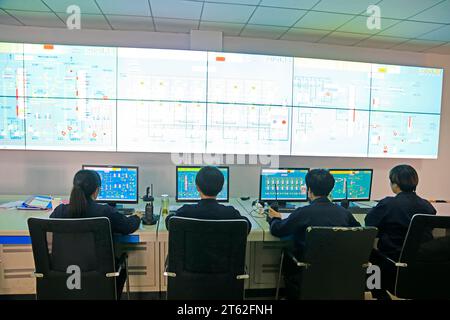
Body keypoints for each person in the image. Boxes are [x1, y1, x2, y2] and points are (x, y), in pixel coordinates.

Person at [268, 168, 360, 299]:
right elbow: (357, 231)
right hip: (338, 272)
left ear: (309, 190)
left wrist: (275, 218)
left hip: (306, 270)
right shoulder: (344, 213)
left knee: (287, 252)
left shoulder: (303, 212)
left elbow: (278, 230)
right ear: (330, 189)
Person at [365, 164, 436, 298]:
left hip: (392, 263)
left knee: (368, 252)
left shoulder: (388, 204)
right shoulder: (427, 205)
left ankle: (378, 295)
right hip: (421, 263)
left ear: (395, 184)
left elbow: (369, 225)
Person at [51, 169, 142, 235]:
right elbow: (128, 227)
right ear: (96, 191)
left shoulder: (60, 211)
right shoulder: (106, 212)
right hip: (99, 261)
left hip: (65, 261)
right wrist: (137, 217)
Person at [166, 166, 251, 233]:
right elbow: (247, 224)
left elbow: (169, 221)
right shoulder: (231, 213)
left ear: (197, 187)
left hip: (192, 255)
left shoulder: (185, 212)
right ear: (221, 189)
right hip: (222, 255)